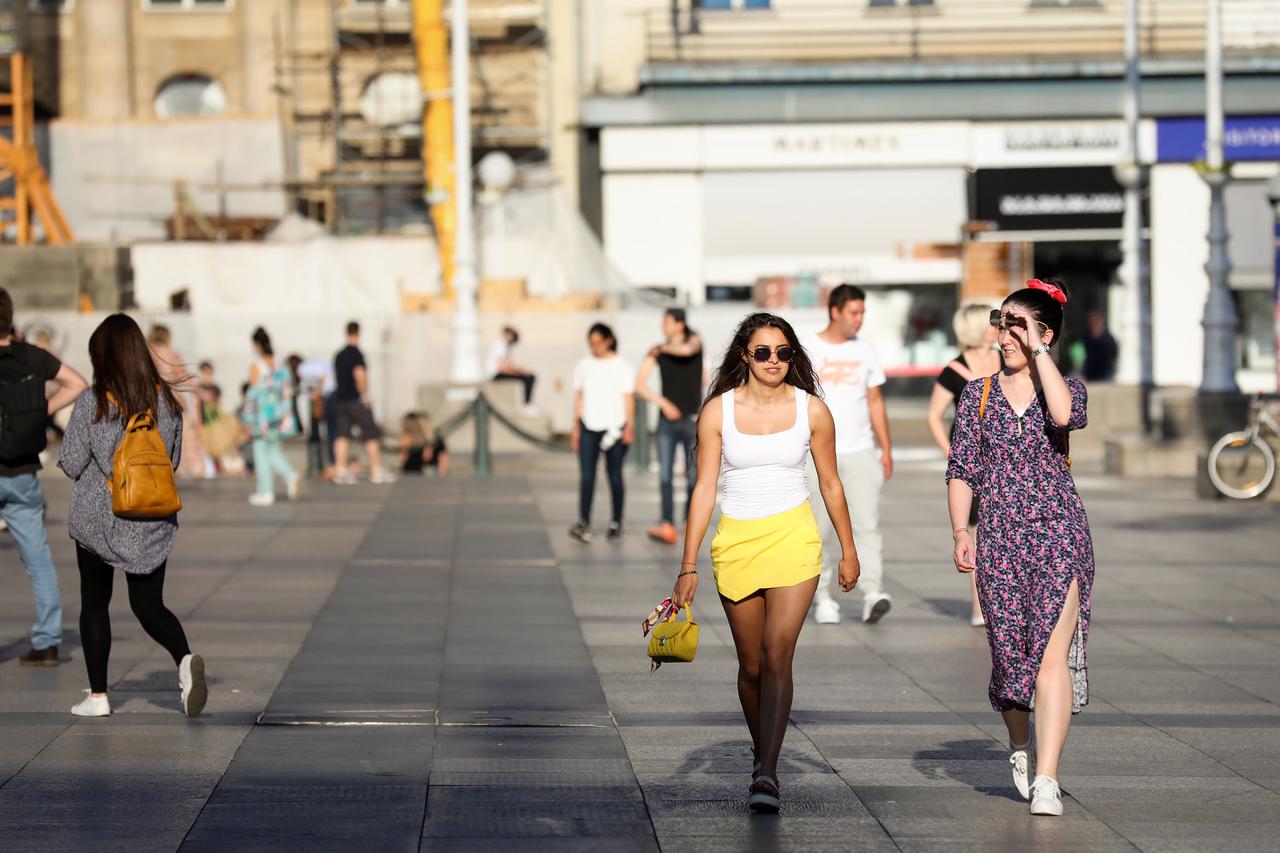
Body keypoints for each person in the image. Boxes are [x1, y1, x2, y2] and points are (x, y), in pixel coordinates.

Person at [671, 312, 860, 814]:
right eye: (762, 352)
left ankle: (767, 772)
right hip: (736, 541)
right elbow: (704, 489)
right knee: (751, 666)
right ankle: (763, 751)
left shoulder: (812, 410)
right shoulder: (717, 412)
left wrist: (849, 549)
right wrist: (687, 564)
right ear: (745, 356)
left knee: (778, 654)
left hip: (795, 539)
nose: (773, 361)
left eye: (783, 352)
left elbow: (831, 483)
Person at [946, 278, 1094, 818]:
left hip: (1060, 533)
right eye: (1000, 322)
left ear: (1042, 334)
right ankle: (1020, 741)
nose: (1003, 334)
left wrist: (1039, 353)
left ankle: (1048, 778)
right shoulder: (977, 394)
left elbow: (1064, 417)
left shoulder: (1066, 387)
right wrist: (961, 531)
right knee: (1012, 664)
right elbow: (962, 467)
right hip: (1001, 538)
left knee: (1051, 658)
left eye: (1016, 325)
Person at [58, 313, 207, 718]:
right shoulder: (166, 401)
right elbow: (172, 460)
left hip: (98, 517)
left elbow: (72, 463)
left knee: (95, 604)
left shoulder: (94, 400)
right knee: (149, 605)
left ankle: (98, 697)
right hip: (150, 518)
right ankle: (184, 659)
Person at [0, 289, 88, 667]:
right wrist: (42, 410)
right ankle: (48, 641)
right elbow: (78, 383)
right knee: (38, 561)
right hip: (22, 472)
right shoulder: (32, 356)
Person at [802, 284, 893, 625]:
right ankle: (822, 597)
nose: (859, 319)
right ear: (835, 311)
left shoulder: (866, 349)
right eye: (854, 312)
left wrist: (886, 447)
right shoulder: (807, 347)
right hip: (817, 453)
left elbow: (874, 401)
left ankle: (872, 592)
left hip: (860, 450)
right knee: (819, 528)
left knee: (867, 524)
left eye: (862, 313)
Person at [927, 304, 1002, 627]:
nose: (996, 328)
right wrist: (954, 454)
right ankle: (979, 605)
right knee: (976, 534)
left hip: (1004, 459)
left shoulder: (1007, 360)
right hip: (974, 465)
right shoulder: (954, 370)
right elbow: (934, 416)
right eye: (990, 323)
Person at [635, 308, 704, 545]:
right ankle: (667, 523)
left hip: (692, 420)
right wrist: (662, 403)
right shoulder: (658, 351)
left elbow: (687, 350)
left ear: (679, 324)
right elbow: (639, 384)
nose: (662, 326)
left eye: (666, 322)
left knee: (693, 476)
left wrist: (662, 348)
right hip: (666, 423)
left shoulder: (694, 341)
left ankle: (688, 521)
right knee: (665, 475)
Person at [569, 323, 635, 543]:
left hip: (615, 428)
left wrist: (629, 426)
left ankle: (616, 521)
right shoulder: (583, 365)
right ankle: (584, 521)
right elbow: (579, 396)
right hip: (589, 426)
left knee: (614, 475)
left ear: (609, 340)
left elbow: (628, 397)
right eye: (591, 343)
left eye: (598, 342)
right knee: (587, 476)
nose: (594, 347)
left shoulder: (622, 365)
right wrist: (575, 427)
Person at [241, 328, 300, 506]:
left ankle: (265, 491)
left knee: (260, 452)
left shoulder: (257, 366)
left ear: (256, 344)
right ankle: (290, 475)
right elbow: (287, 391)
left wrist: (247, 418)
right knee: (273, 450)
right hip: (278, 415)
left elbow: (252, 394)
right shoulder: (280, 365)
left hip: (262, 417)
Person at [331, 321, 394, 485]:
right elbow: (359, 374)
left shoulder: (339, 355)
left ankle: (340, 470)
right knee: (371, 433)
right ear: (358, 333)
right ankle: (376, 470)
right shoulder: (357, 354)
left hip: (340, 400)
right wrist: (365, 396)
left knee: (342, 435)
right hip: (355, 400)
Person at [147, 325, 208, 479]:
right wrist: (199, 391)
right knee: (182, 434)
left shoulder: (146, 353)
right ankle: (187, 467)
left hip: (151, 398)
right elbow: (184, 376)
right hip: (172, 398)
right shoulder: (172, 354)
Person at [486, 326, 537, 409]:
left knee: (528, 377)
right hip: (496, 376)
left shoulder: (501, 345)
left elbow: (508, 365)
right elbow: (502, 368)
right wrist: (521, 372)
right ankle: (527, 404)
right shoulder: (500, 345)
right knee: (528, 378)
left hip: (498, 374)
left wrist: (520, 371)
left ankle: (527, 403)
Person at [399, 412, 449, 476]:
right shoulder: (409, 439)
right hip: (410, 473)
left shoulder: (437, 441)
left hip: (429, 475)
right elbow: (403, 458)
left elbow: (443, 462)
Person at [1081, 310, 1118, 381]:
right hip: (1090, 374)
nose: (1093, 325)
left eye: (1095, 323)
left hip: (1105, 373)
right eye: (1091, 323)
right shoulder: (1087, 337)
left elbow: (1113, 355)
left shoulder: (1108, 339)